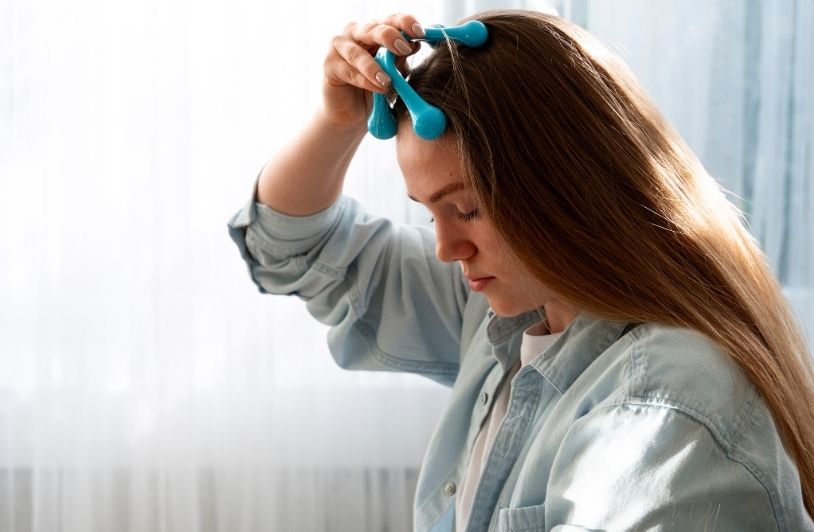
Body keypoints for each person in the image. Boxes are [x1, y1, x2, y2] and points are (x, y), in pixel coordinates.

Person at [228, 9, 814, 531]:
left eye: (467, 210)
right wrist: (338, 121)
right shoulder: (512, 303)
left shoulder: (661, 415)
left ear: (567, 187)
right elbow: (290, 248)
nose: (446, 248)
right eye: (431, 214)